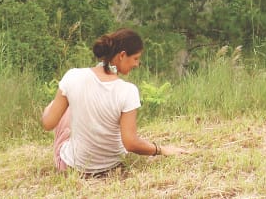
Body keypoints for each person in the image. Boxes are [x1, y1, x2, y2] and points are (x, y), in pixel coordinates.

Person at [41, 28, 187, 176]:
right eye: (136, 58)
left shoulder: (73, 76)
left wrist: (50, 107)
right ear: (122, 55)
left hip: (75, 167)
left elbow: (48, 124)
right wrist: (160, 149)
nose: (137, 64)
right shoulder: (128, 90)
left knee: (65, 106)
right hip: (112, 165)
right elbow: (130, 142)